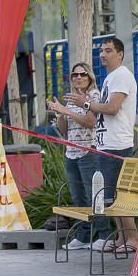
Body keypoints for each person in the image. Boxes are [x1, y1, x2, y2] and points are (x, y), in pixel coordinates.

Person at [66, 36, 138, 253]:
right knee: (110, 197)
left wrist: (86, 103)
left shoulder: (122, 75)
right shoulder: (110, 78)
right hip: (105, 145)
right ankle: (121, 238)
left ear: (120, 54)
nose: (103, 55)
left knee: (118, 196)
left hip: (117, 145)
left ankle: (133, 238)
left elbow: (113, 107)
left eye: (108, 50)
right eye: (101, 51)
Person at [48, 63, 107, 251]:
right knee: (77, 197)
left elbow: (90, 122)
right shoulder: (71, 98)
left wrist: (67, 111)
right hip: (71, 152)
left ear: (89, 77)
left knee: (93, 196)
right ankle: (83, 236)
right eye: (75, 75)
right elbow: (65, 130)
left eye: (83, 74)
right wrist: (59, 113)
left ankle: (104, 234)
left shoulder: (93, 95)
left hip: (88, 151)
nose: (78, 77)